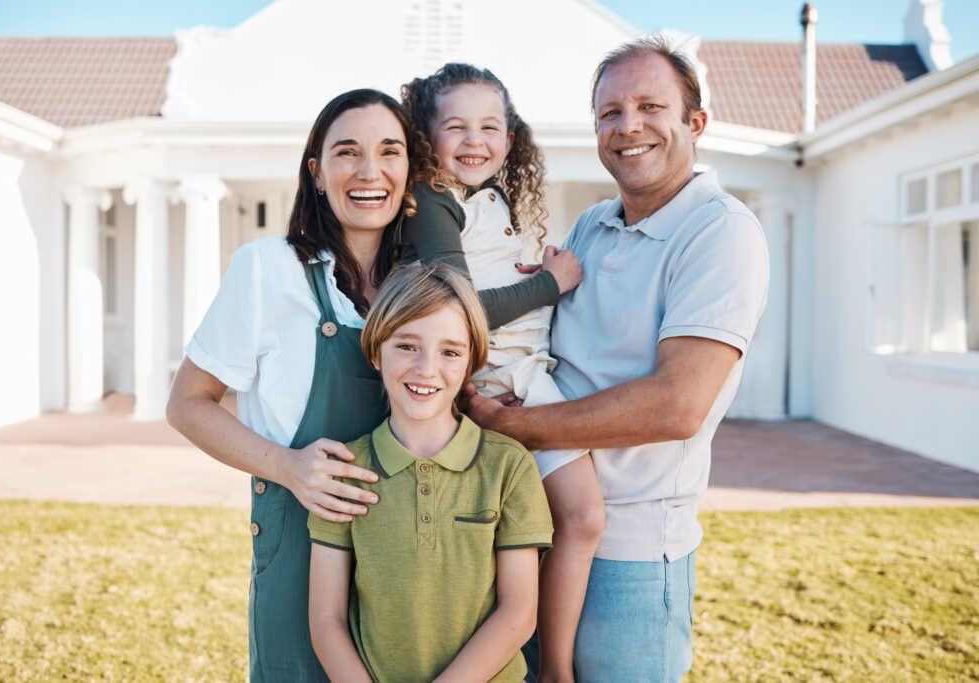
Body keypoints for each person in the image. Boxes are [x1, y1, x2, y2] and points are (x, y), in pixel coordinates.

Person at [463, 35, 770, 682]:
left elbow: (678, 404)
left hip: (628, 558)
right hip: (531, 525)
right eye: (609, 112)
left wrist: (519, 426)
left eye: (649, 106)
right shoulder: (590, 227)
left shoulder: (721, 231)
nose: (627, 126)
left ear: (695, 123)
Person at [166, 88, 430, 682]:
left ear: (409, 171)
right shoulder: (268, 268)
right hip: (300, 551)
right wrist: (288, 467)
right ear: (316, 172)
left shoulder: (423, 284)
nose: (369, 172)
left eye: (389, 152)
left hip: (411, 556)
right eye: (346, 153)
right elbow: (187, 404)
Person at [400, 63, 603, 681]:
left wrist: (530, 268)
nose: (474, 140)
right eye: (454, 126)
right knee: (568, 520)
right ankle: (548, 670)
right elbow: (455, 312)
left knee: (562, 522)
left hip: (527, 378)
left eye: (490, 127)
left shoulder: (487, 198)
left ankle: (547, 664)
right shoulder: (432, 201)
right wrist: (551, 282)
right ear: (424, 136)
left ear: (510, 140)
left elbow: (486, 281)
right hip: (491, 384)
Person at [307, 263, 553, 682]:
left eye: (450, 352)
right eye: (406, 346)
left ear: (470, 361)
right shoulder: (344, 472)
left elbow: (519, 611)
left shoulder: (508, 466)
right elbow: (326, 619)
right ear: (375, 350)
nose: (426, 369)